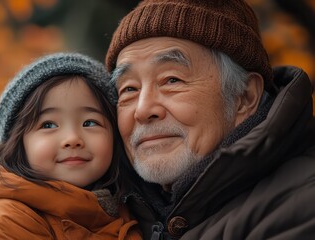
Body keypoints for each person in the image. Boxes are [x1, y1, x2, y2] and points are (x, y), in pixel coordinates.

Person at [105, 0, 315, 239]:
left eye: (172, 80)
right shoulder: (107, 208)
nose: (142, 110)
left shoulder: (302, 205)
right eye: (129, 89)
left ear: (244, 98)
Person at [0, 53, 142, 239]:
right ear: (19, 142)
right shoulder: (7, 220)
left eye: (90, 122)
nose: (72, 139)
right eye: (48, 125)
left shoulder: (128, 205)